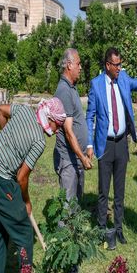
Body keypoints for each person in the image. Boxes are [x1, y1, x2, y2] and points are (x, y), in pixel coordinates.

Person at [0, 98, 66, 273]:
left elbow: (1, 110)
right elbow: (22, 178)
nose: (57, 131)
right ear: (49, 119)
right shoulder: (38, 141)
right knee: (25, 235)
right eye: (57, 125)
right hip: (0, 183)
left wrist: (5, 138)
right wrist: (26, 202)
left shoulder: (25, 111)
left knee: (1, 230)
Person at [86, 47, 137, 244]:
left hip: (121, 143)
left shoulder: (124, 79)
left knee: (120, 190)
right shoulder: (96, 85)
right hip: (105, 144)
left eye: (120, 64)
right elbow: (90, 116)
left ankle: (118, 228)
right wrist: (89, 143)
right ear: (108, 65)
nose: (120, 67)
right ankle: (102, 228)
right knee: (104, 191)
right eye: (117, 64)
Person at [54, 48, 91, 204]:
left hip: (76, 157)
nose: (80, 67)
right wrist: (82, 157)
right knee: (68, 207)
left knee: (76, 205)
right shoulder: (64, 91)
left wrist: (87, 146)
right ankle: (64, 230)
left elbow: (78, 121)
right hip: (68, 160)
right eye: (78, 64)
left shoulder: (71, 87)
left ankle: (74, 230)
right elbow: (68, 131)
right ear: (69, 65)